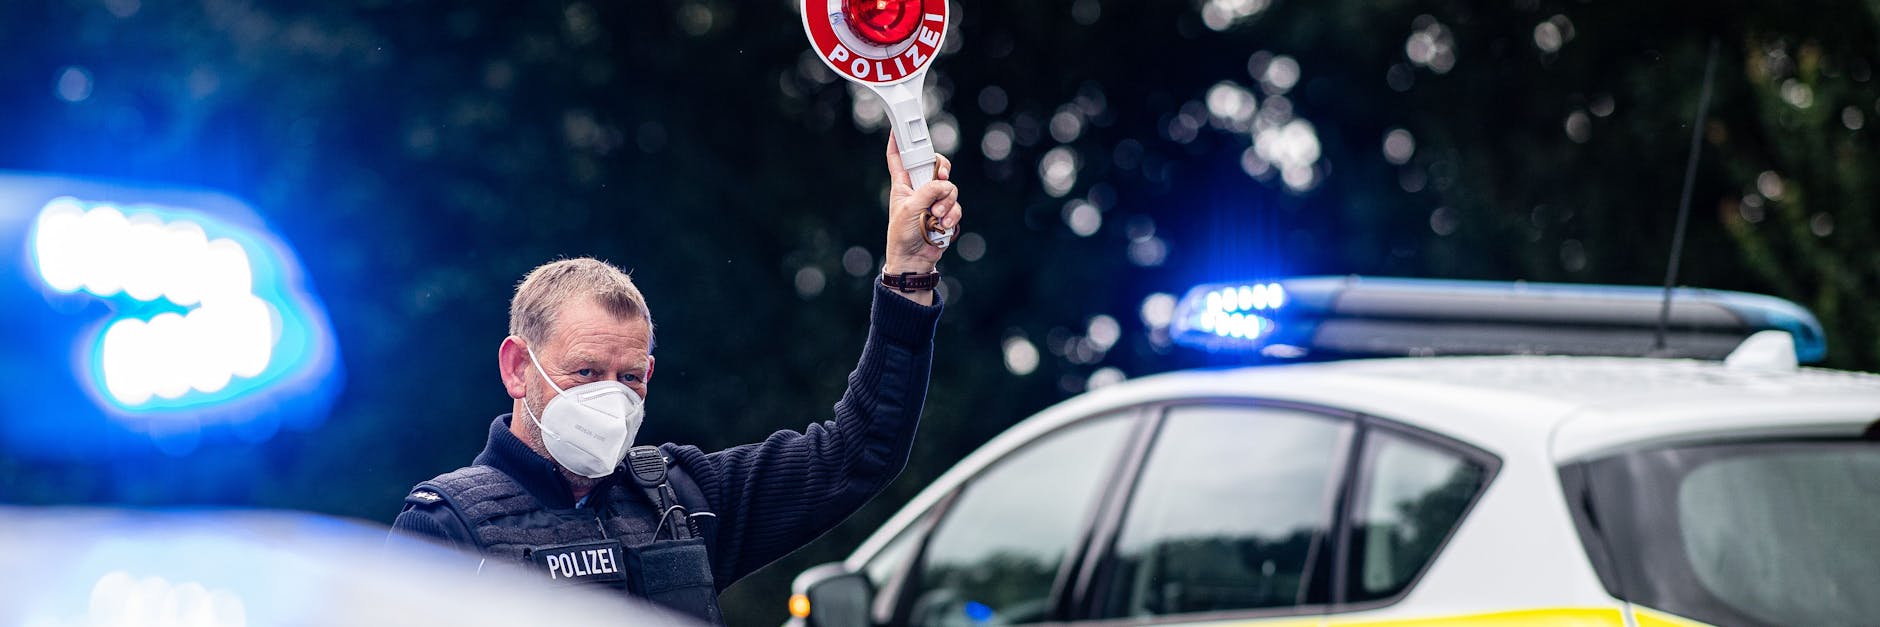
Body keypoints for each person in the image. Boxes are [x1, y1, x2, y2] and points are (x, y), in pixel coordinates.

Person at [388, 139, 961, 625]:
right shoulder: (444, 528)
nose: (608, 394)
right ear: (517, 368)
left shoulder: (684, 499)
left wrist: (909, 271)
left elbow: (858, 452)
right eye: (585, 372)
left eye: (629, 376)